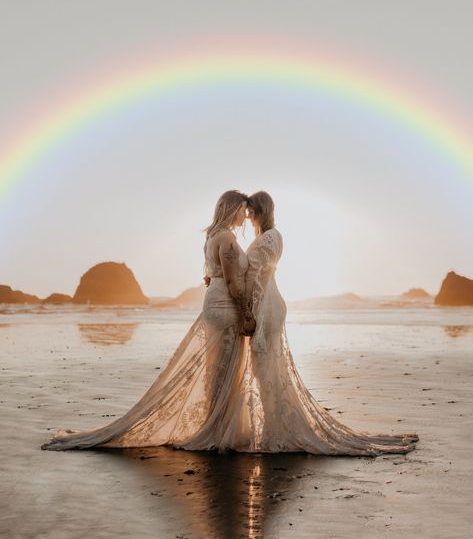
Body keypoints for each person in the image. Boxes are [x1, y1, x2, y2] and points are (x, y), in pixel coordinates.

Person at [41, 190, 254, 451]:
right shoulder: (228, 239)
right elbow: (233, 283)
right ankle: (220, 430)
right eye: (243, 209)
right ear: (233, 209)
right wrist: (246, 314)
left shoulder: (211, 237)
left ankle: (217, 423)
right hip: (225, 306)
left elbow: (210, 276)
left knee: (216, 369)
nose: (246, 215)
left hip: (213, 302)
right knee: (225, 367)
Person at [242, 191, 419, 454]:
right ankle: (272, 427)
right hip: (270, 304)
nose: (248, 216)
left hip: (267, 308)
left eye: (251, 211)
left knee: (265, 369)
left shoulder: (268, 238)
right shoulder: (270, 236)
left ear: (261, 210)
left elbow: (255, 279)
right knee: (266, 369)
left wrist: (249, 312)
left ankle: (274, 431)